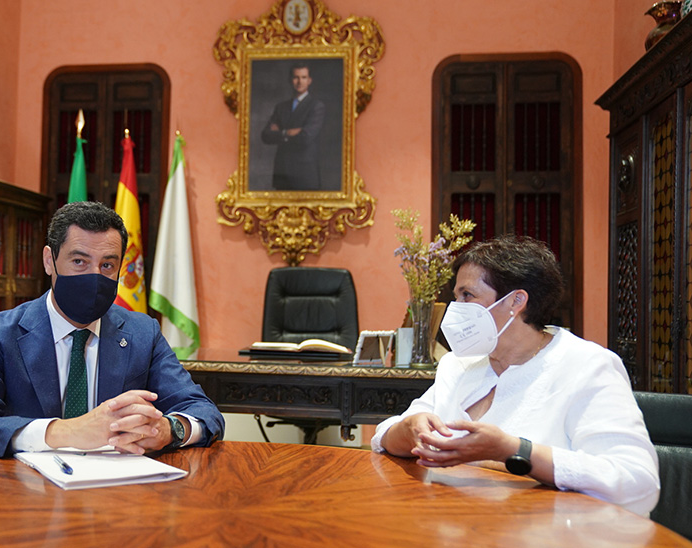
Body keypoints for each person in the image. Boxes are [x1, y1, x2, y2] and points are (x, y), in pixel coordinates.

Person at [371, 235, 659, 516]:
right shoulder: (458, 364)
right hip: (455, 523)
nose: (454, 309)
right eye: (455, 296)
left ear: (516, 301)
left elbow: (638, 482)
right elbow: (385, 436)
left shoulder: (589, 366)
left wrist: (512, 450)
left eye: (467, 295)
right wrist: (409, 428)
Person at [0, 201, 224, 458]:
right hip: (27, 497)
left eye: (107, 265)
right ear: (49, 260)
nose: (94, 276)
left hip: (118, 495)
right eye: (79, 262)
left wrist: (168, 430)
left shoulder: (143, 333)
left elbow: (205, 413)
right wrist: (66, 431)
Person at [260, 62, 325, 191]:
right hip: (282, 173)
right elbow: (266, 135)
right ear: (291, 80)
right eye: (296, 77)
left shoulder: (316, 106)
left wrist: (279, 133)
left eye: (304, 77)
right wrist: (287, 132)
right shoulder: (281, 107)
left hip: (304, 175)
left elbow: (306, 137)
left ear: (309, 81)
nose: (299, 82)